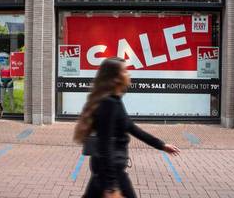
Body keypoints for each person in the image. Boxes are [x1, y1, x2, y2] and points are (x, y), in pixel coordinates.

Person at [74, 57, 180, 198]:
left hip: (108, 171)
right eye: (125, 71)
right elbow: (104, 145)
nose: (128, 74)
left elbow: (132, 128)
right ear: (115, 78)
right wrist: (111, 186)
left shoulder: (115, 101)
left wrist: (161, 145)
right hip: (110, 173)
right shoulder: (109, 103)